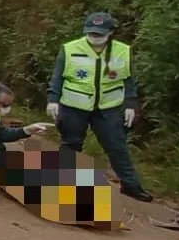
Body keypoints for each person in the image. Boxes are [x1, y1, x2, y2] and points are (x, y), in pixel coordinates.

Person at [47, 12, 154, 201]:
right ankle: (63, 184)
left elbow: (128, 80)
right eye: (92, 34)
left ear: (111, 32)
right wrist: (52, 100)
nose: (95, 38)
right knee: (71, 145)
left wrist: (131, 104)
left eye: (99, 34)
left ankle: (130, 185)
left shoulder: (122, 51)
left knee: (116, 146)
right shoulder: (70, 48)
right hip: (74, 105)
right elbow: (58, 77)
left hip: (108, 107)